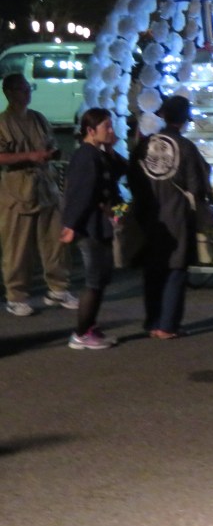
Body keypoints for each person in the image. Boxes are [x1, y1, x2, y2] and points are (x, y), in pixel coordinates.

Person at [129, 96, 213, 338]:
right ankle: (167, 325)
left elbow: (133, 178)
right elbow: (197, 185)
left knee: (152, 269)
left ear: (163, 115)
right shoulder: (185, 146)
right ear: (185, 118)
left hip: (148, 214)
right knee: (175, 269)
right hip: (176, 214)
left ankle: (152, 321)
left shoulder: (144, 145)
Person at [0, 73, 74, 316]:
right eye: (22, 89)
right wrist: (29, 156)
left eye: (28, 88)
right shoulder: (3, 122)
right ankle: (16, 296)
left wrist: (51, 154)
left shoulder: (38, 118)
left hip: (46, 188)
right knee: (17, 248)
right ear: (9, 93)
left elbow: (51, 144)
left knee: (55, 242)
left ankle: (58, 288)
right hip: (16, 193)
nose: (27, 93)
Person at [60, 108, 126, 349]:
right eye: (106, 126)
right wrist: (70, 224)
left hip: (98, 224)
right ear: (90, 130)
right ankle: (81, 333)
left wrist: (110, 148)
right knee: (95, 280)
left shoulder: (97, 154)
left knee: (100, 278)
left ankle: (89, 327)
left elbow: (121, 170)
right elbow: (80, 193)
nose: (111, 131)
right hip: (90, 227)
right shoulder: (86, 156)